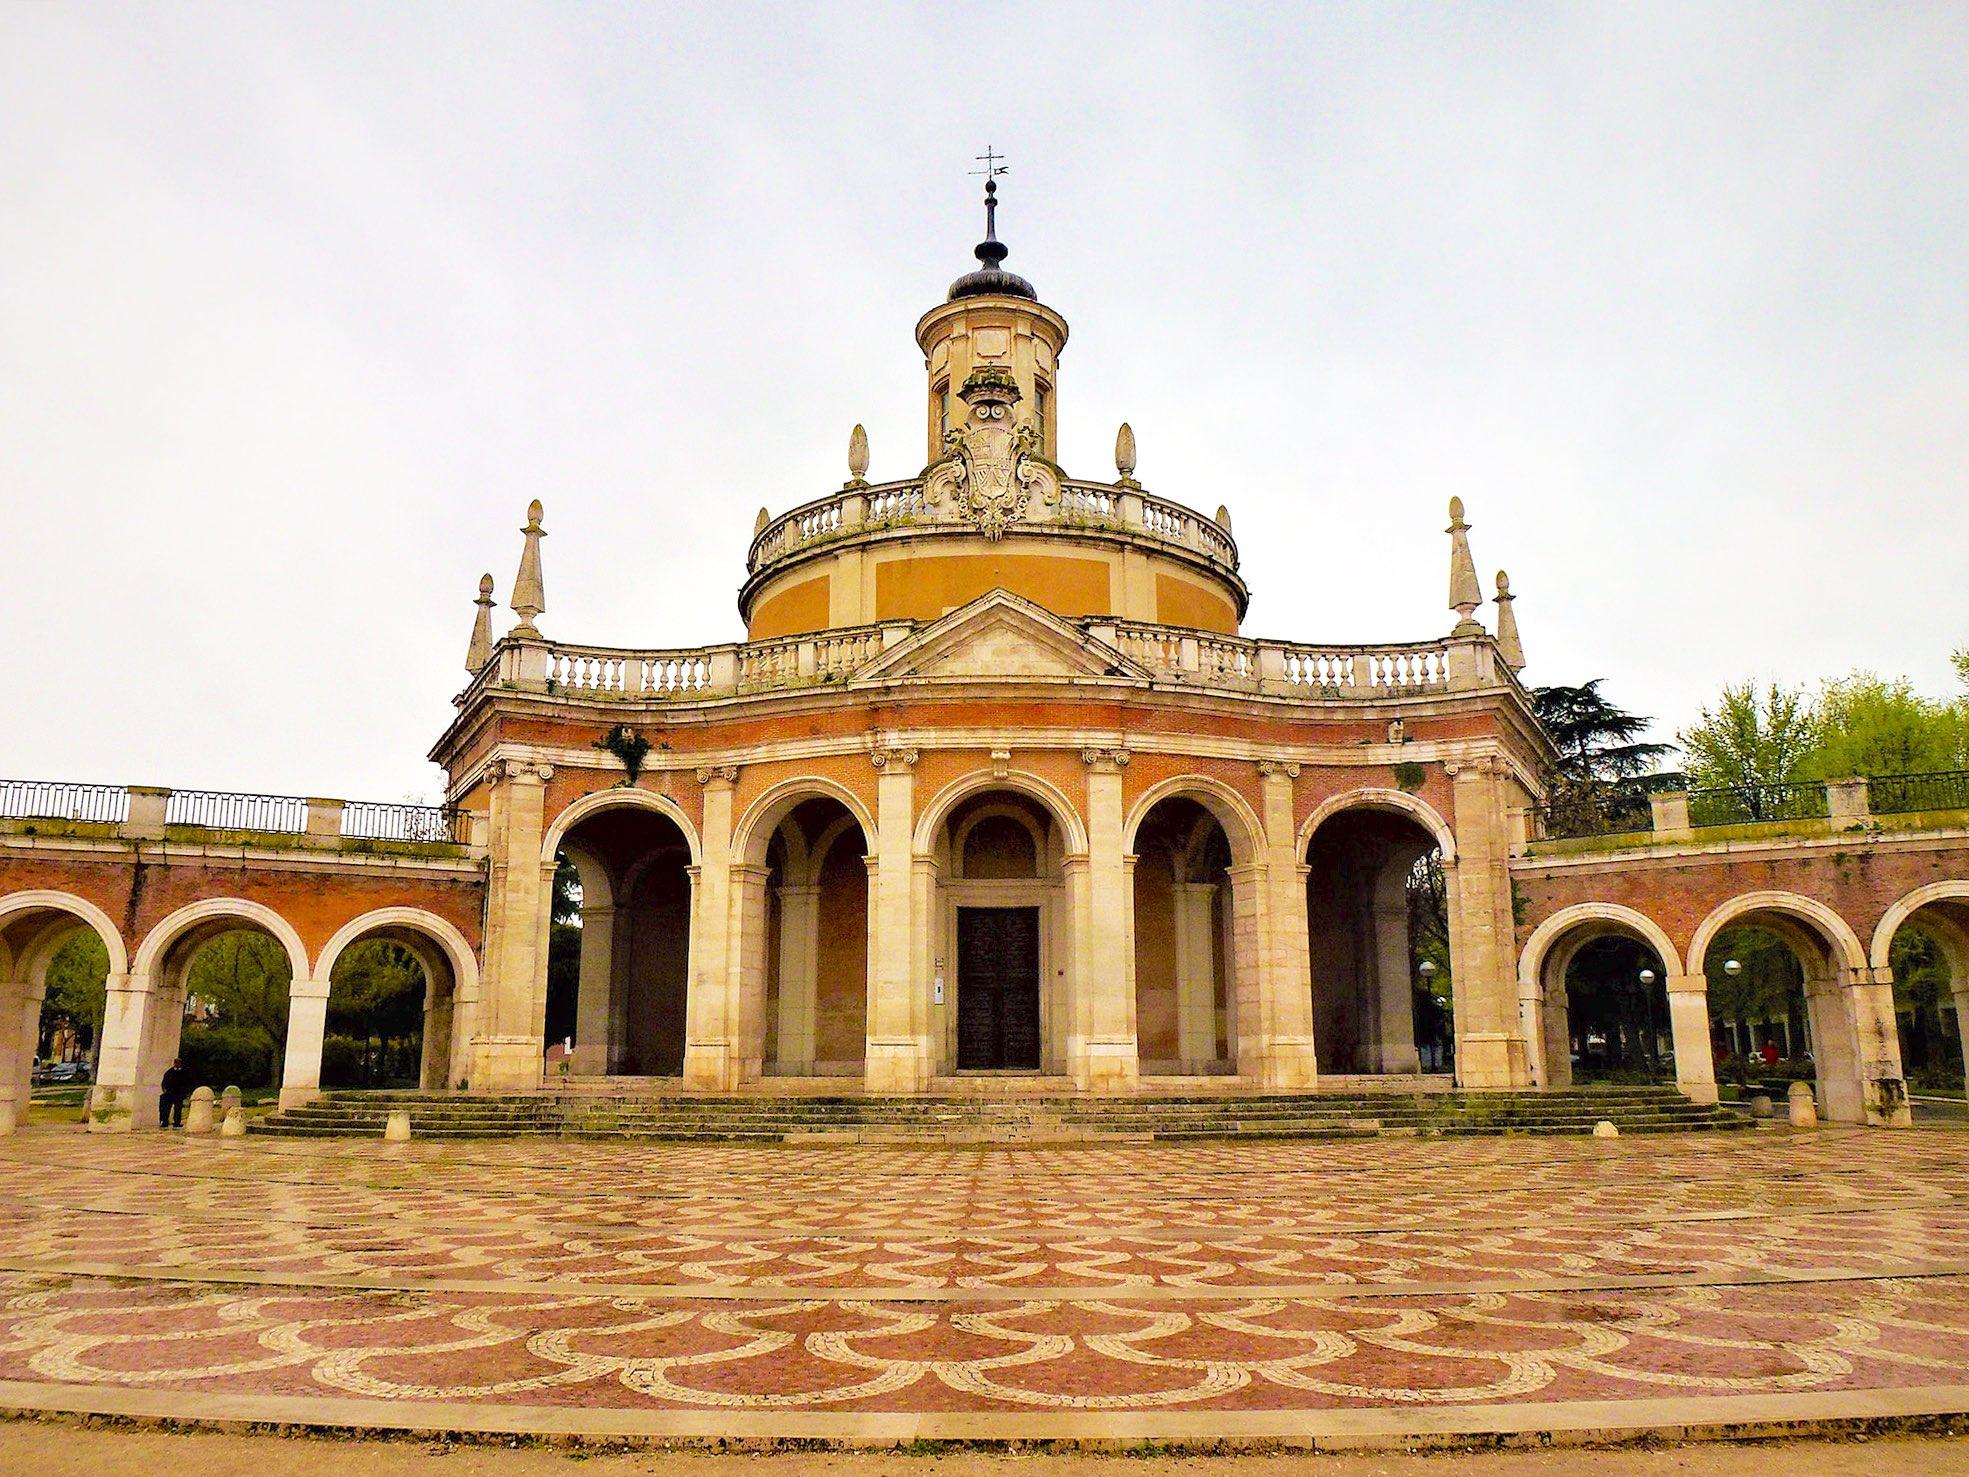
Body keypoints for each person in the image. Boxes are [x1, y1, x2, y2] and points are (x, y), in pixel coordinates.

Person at [158, 1058, 189, 1129]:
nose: (177, 1064)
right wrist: (164, 1089)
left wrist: (185, 1092)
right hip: (170, 1093)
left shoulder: (184, 1072)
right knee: (167, 1108)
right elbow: (164, 1082)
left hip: (179, 1094)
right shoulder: (169, 1072)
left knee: (178, 1109)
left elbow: (187, 1083)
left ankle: (177, 1122)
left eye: (179, 1063)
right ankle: (165, 1122)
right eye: (176, 1063)